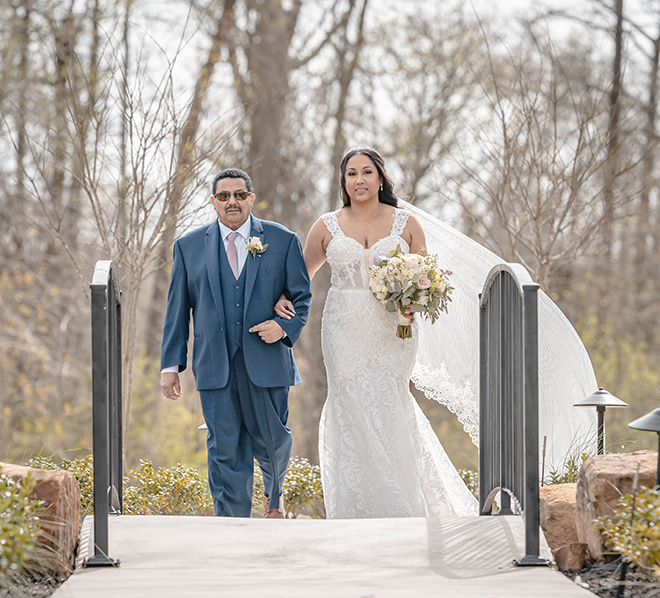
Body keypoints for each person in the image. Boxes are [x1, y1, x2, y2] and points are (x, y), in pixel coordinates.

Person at [276, 147, 479, 517]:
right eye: (351, 173)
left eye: (366, 172)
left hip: (393, 328)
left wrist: (412, 301)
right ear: (344, 181)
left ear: (380, 178)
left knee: (389, 400)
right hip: (342, 329)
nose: (359, 180)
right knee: (349, 400)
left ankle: (404, 502)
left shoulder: (406, 224)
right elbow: (298, 279)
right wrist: (279, 301)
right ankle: (358, 507)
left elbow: (427, 279)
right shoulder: (326, 225)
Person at [161, 168, 312, 519]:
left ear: (251, 199)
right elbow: (176, 310)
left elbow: (301, 297)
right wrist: (171, 366)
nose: (232, 202)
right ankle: (232, 527)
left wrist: (281, 327)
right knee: (224, 449)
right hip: (215, 364)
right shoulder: (187, 247)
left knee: (273, 441)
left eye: (240, 195)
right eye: (224, 196)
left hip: (268, 361)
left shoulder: (283, 239)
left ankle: (274, 502)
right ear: (213, 201)